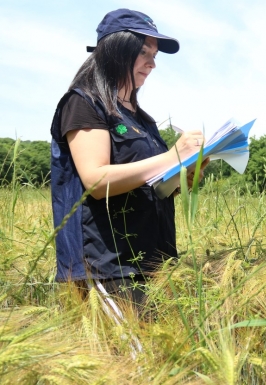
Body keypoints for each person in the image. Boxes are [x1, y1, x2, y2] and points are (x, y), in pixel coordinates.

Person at [50, 9, 206, 311]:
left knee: (154, 356)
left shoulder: (140, 118)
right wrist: (172, 156)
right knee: (128, 355)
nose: (153, 63)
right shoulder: (83, 103)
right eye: (144, 52)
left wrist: (181, 178)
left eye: (155, 54)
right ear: (117, 50)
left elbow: (149, 183)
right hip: (109, 265)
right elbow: (96, 181)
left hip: (153, 260)